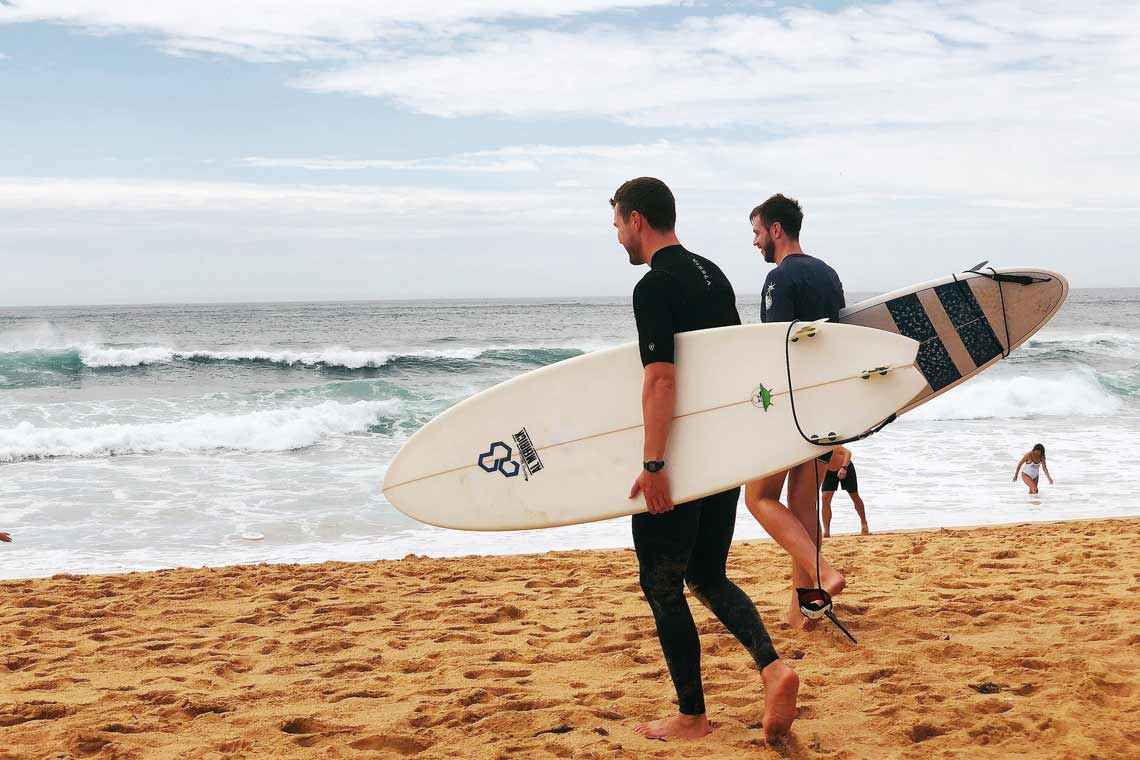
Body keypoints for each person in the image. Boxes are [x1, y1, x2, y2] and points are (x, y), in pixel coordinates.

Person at [613, 177, 799, 742]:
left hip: (682, 459)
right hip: (722, 451)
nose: (618, 236)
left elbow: (662, 378)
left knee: (661, 582)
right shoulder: (712, 273)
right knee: (707, 573)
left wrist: (652, 464)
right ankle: (773, 668)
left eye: (618, 224)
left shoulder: (653, 287)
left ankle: (692, 716)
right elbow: (732, 365)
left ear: (638, 220)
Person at [742, 194, 848, 630]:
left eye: (756, 232)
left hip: (791, 406)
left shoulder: (779, 279)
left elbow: (776, 348)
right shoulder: (828, 274)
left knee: (759, 498)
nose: (755, 243)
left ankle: (822, 575)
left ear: (776, 231)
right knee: (803, 508)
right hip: (825, 404)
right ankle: (805, 610)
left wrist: (757, 406)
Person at [820, 446, 869, 537]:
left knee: (854, 496)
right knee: (825, 498)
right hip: (828, 471)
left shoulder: (827, 443)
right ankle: (826, 531)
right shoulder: (810, 449)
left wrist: (844, 468)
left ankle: (864, 523)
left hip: (845, 467)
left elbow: (848, 452)